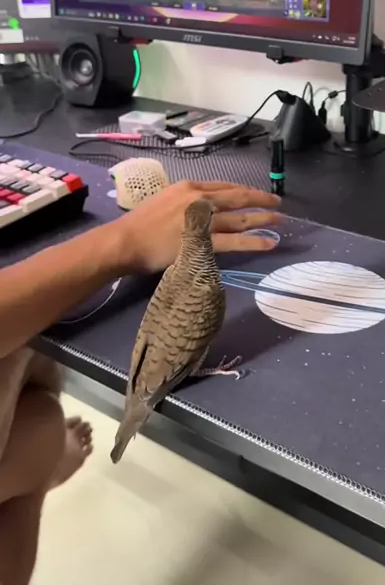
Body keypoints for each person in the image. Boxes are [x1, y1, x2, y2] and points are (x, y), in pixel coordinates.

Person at [0, 178, 281, 585]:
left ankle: (39, 467)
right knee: (36, 404)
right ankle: (41, 468)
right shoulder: (206, 292)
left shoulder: (185, 279)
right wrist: (125, 240)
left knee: (41, 410)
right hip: (164, 371)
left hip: (137, 372)